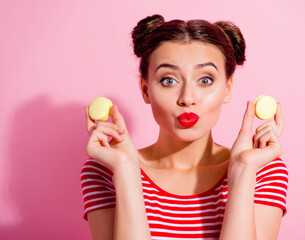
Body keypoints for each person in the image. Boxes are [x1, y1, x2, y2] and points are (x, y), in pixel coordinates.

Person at [81, 14, 288, 240]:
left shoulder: (262, 170)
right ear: (145, 89)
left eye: (205, 80)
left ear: (227, 88)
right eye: (169, 80)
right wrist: (126, 170)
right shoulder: (106, 171)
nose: (187, 98)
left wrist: (243, 170)